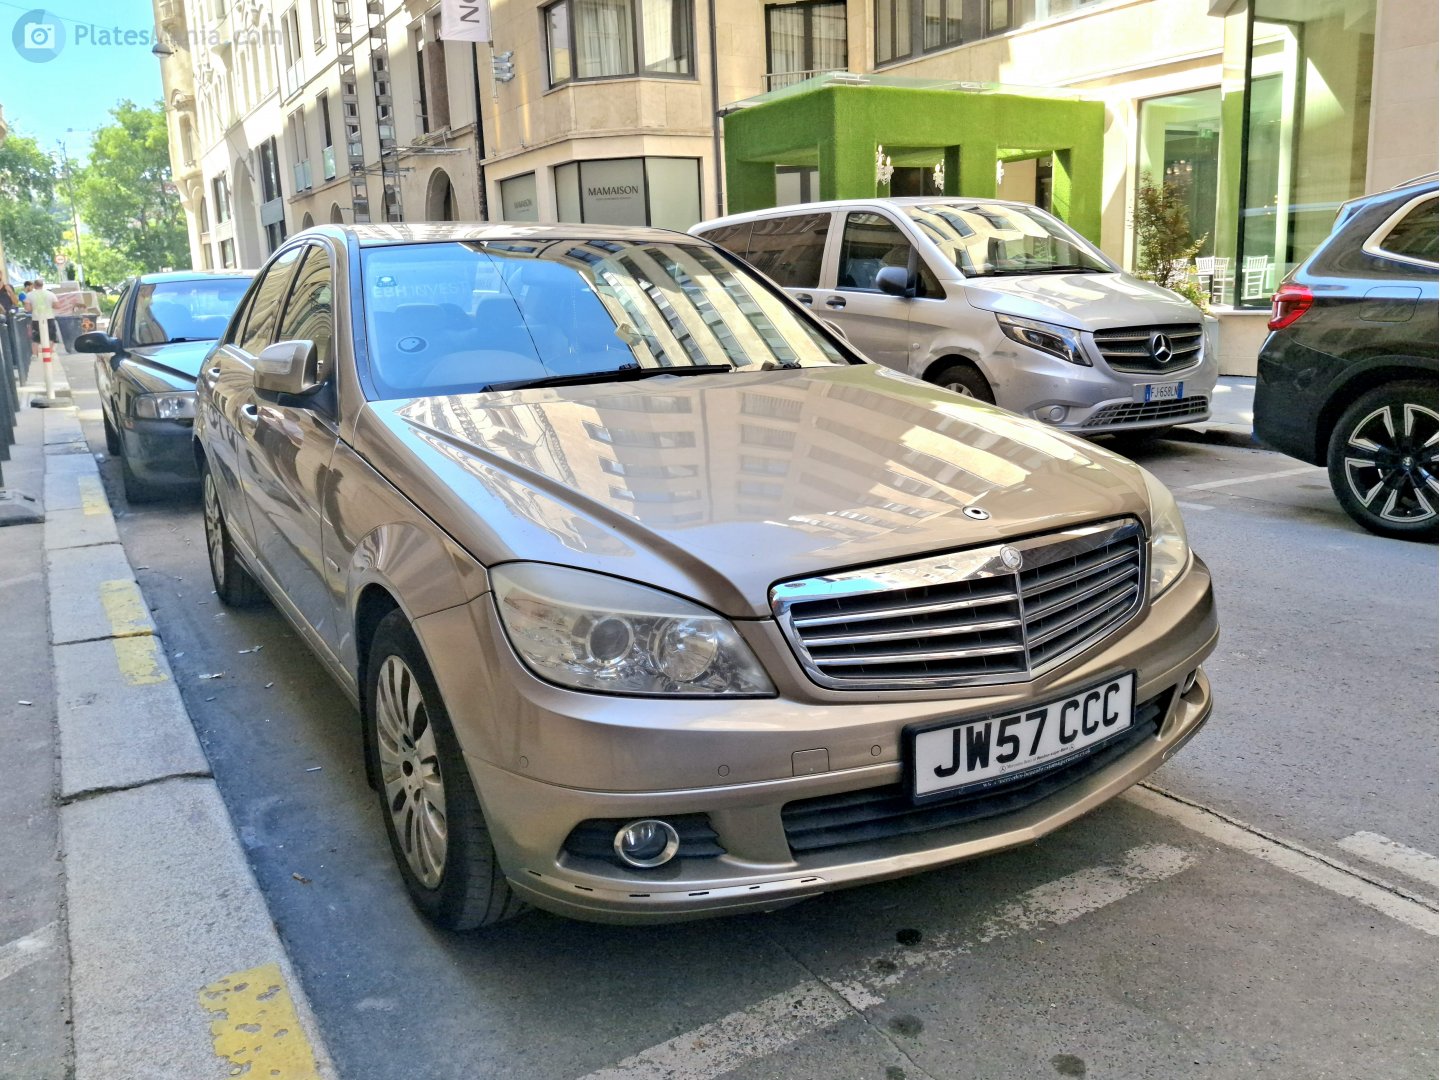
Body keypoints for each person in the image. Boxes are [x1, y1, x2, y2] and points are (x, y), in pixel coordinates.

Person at [25, 277, 59, 362]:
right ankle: (48, 354)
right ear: (42, 285)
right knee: (51, 337)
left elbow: (27, 309)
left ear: (34, 285)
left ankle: (35, 355)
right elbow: (57, 306)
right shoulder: (50, 294)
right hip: (49, 317)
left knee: (35, 338)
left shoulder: (29, 295)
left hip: (36, 318)